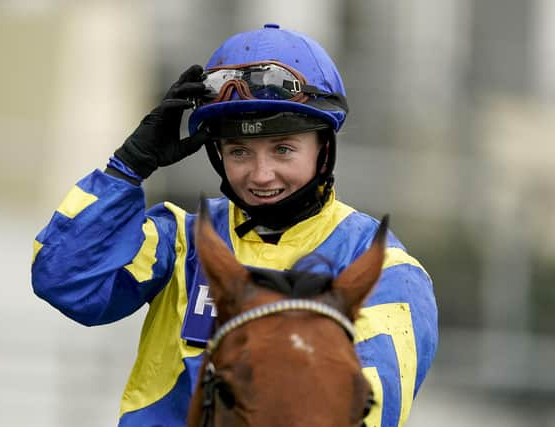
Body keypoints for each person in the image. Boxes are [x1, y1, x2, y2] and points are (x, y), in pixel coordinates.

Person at [31, 23, 438, 427]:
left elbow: (360, 414)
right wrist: (128, 167)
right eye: (239, 151)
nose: (261, 175)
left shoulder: (386, 270)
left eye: (283, 149)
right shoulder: (180, 242)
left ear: (323, 148)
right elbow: (65, 280)